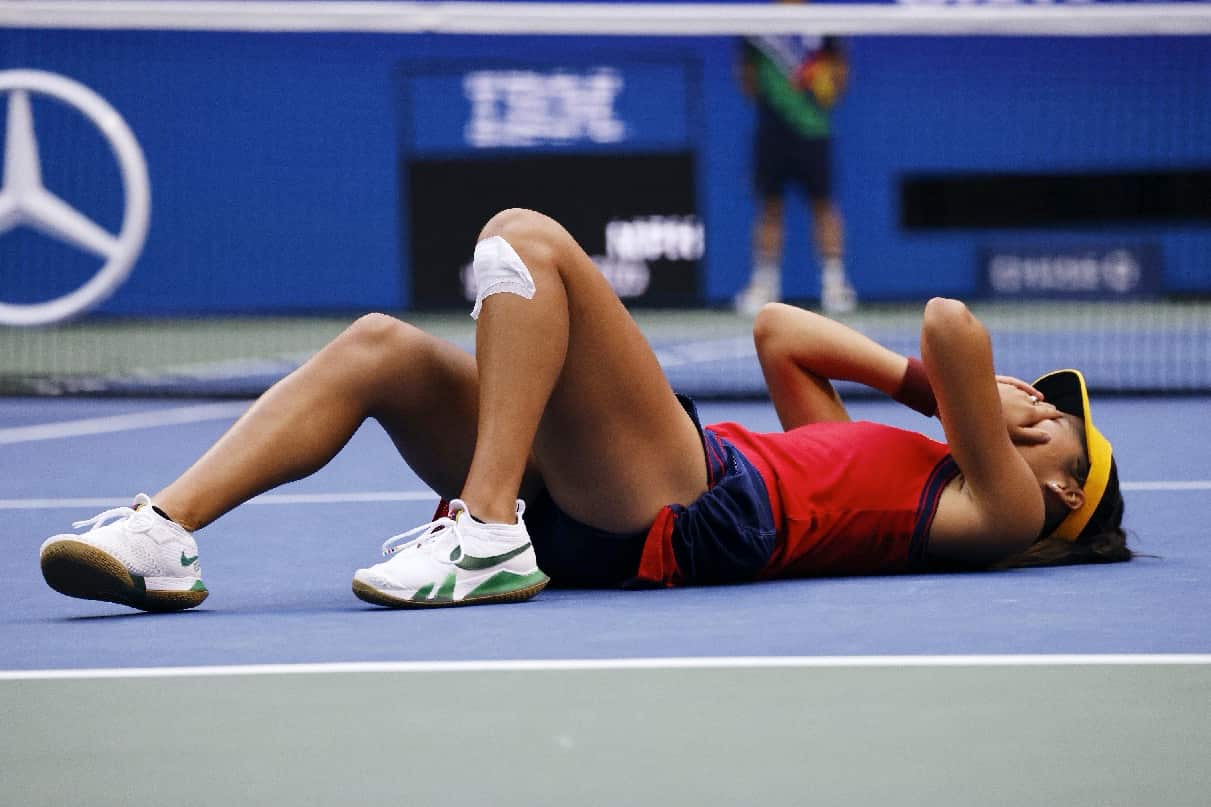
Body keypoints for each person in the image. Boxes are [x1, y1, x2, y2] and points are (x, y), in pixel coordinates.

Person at [39, 208, 1129, 613]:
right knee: (381, 349)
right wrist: (910, 394)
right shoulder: (894, 477)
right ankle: (163, 534)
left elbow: (949, 321)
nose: (1039, 406)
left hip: (688, 510)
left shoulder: (994, 518)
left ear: (1068, 489)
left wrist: (960, 393)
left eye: (1055, 417)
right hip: (640, 487)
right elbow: (780, 334)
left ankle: (483, 528)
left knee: (528, 242)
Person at [734, 21, 858, 317]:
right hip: (772, 133)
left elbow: (840, 78)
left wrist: (818, 88)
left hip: (814, 132)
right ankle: (764, 285)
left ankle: (834, 285)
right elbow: (747, 81)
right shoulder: (756, 28)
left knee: (824, 206)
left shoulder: (823, 27)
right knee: (770, 208)